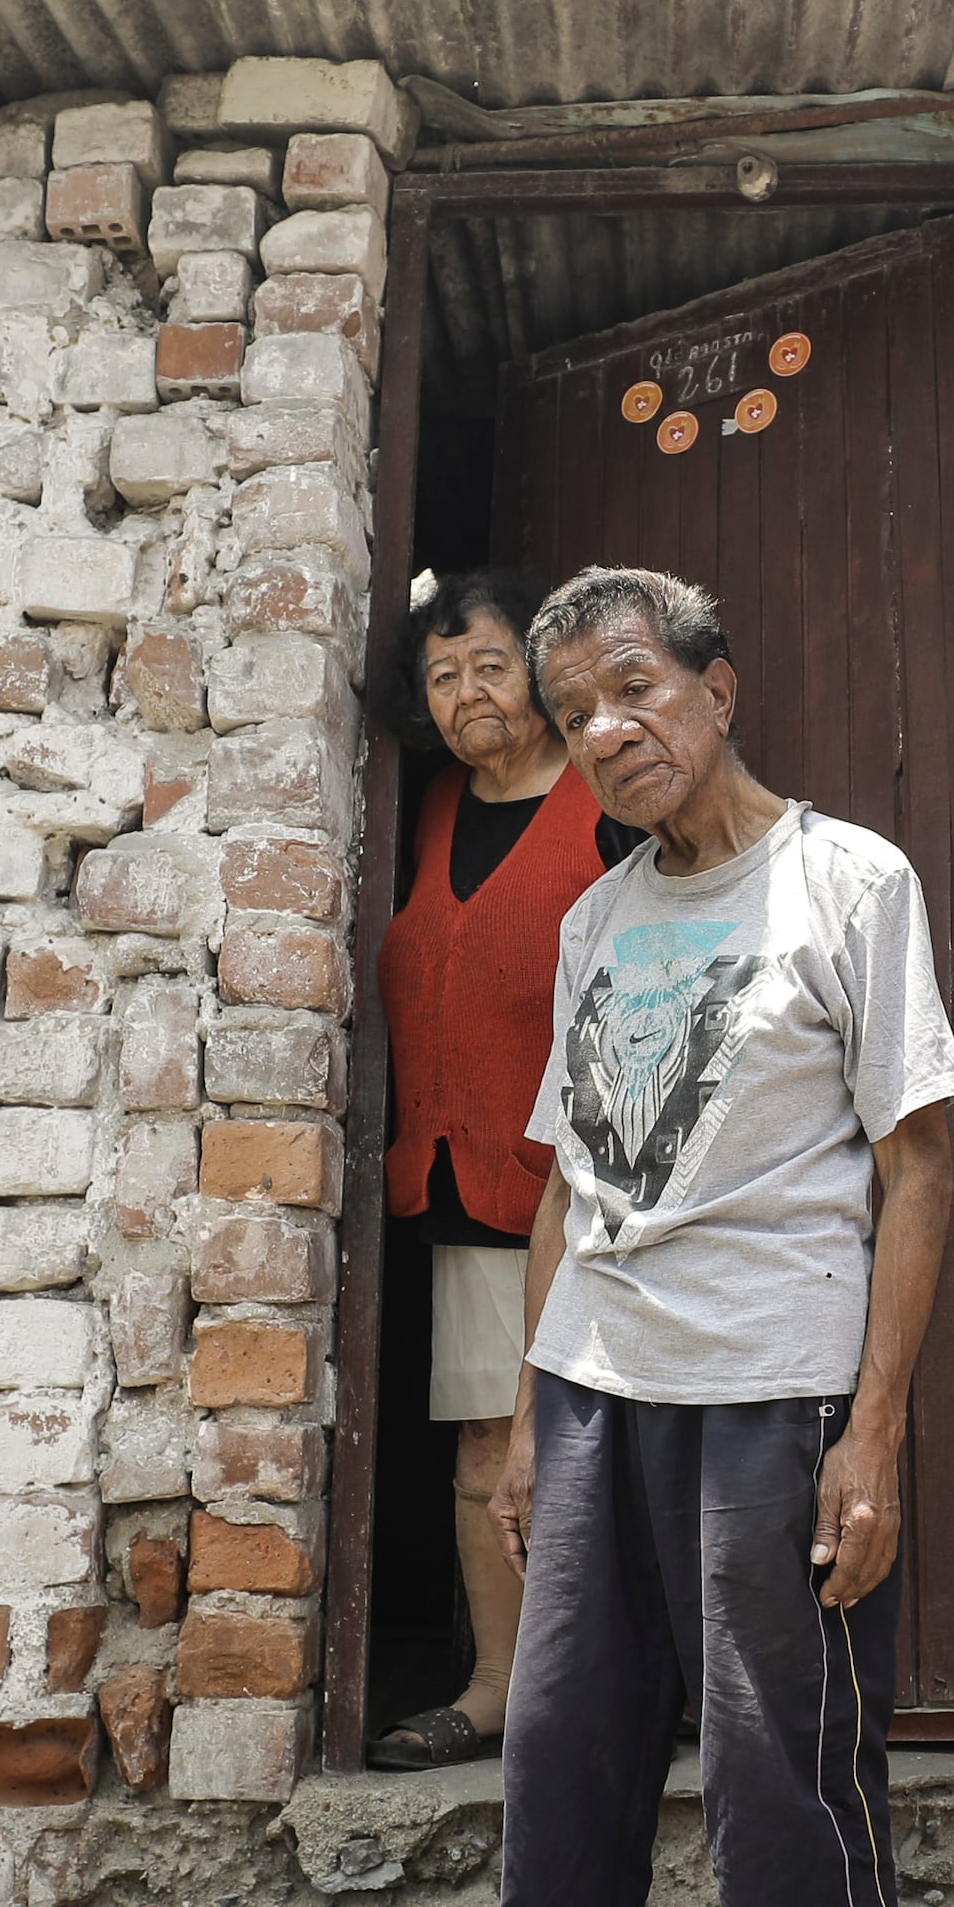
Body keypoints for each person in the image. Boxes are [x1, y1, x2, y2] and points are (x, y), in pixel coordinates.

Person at [356, 565, 954, 1907]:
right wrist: (543, 1425)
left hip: (773, 1400)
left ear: (714, 680)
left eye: (637, 690)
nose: (610, 732)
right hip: (602, 1402)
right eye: (580, 712)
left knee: (788, 1808)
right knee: (556, 1787)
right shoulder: (601, 913)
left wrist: (871, 1433)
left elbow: (920, 1164)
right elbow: (559, 1190)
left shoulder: (850, 882)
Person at [366, 569, 637, 1772]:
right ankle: (497, 1691)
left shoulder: (608, 799)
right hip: (466, 1186)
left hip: (616, 1179)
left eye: (487, 664)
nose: (467, 692)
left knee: (637, 1433)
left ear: (534, 670)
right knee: (490, 1438)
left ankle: (641, 1688)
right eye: (440, 677)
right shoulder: (420, 810)